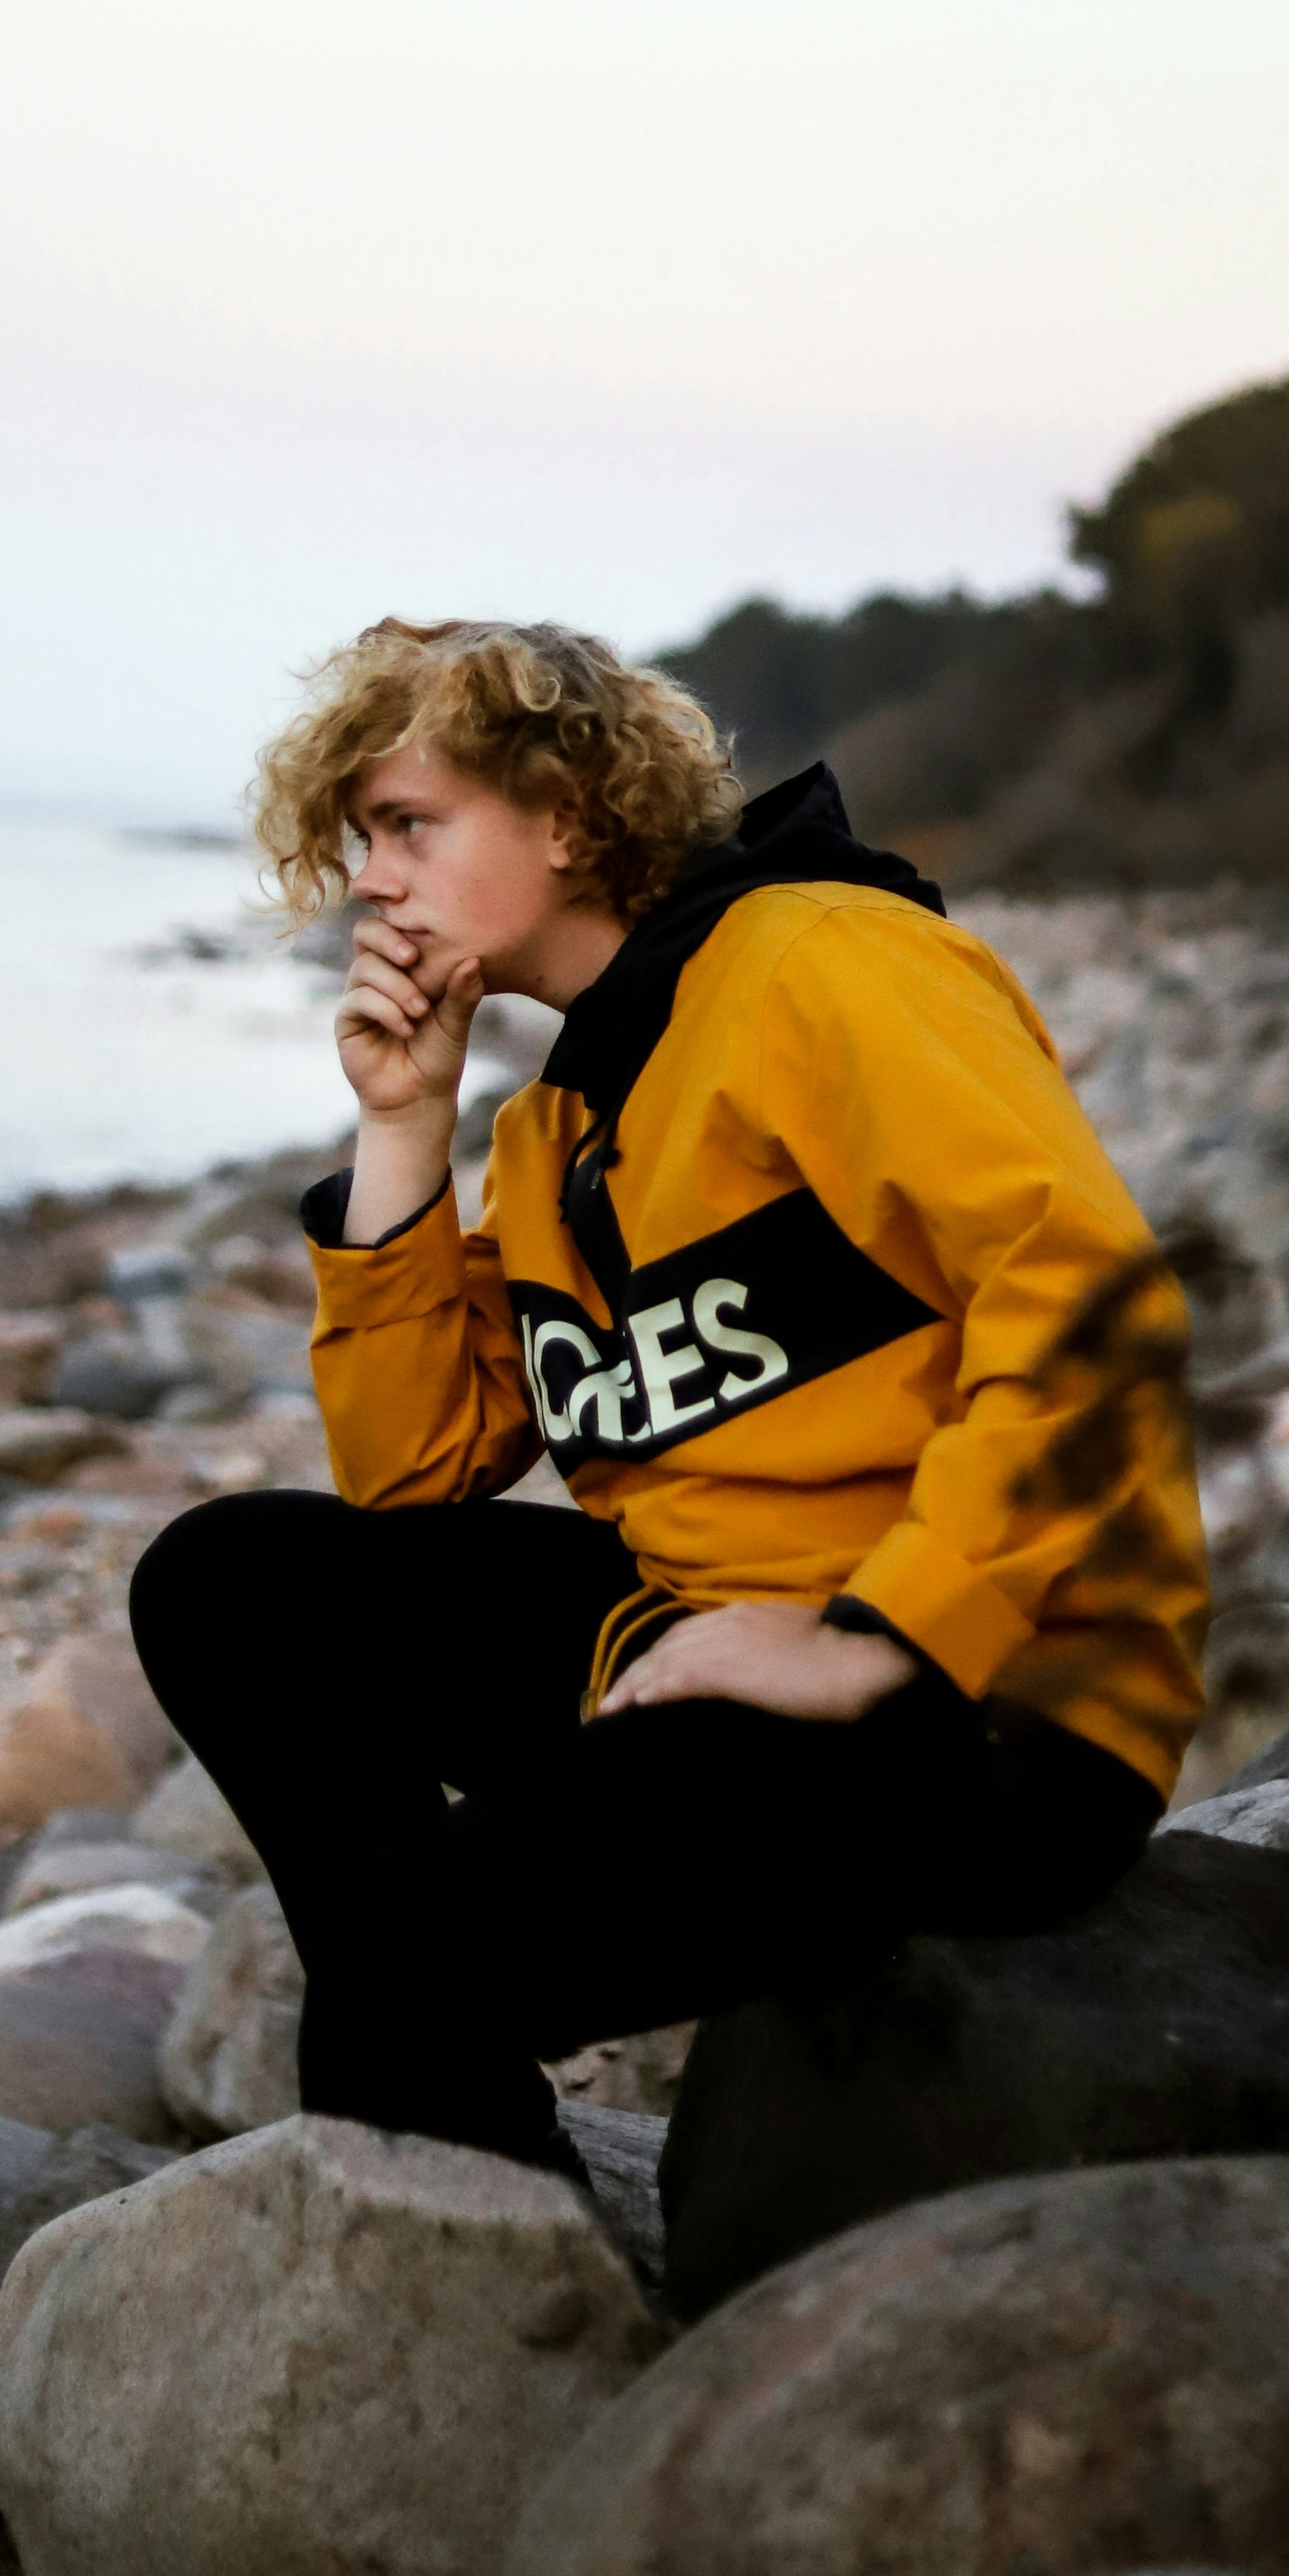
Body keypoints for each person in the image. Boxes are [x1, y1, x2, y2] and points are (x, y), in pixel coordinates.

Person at [127, 616, 1206, 2176]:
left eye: (408, 827)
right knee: (228, 1587)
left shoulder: (826, 962)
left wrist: (870, 1641)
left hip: (981, 1705)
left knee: (391, 1980)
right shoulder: (560, 1111)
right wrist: (406, 1133)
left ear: (566, 815)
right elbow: (417, 1480)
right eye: (364, 839)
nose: (372, 880)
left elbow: (1097, 1306)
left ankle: (446, 2102)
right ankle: (450, 2039)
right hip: (698, 1637)